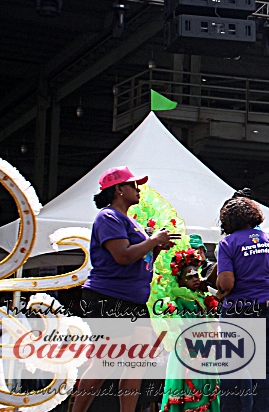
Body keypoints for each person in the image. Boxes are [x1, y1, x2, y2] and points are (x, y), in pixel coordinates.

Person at [71, 166, 179, 412]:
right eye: (133, 184)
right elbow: (122, 256)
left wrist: (155, 247)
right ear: (118, 189)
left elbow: (140, 260)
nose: (138, 189)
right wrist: (153, 240)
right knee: (105, 362)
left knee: (136, 363)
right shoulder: (108, 217)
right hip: (109, 297)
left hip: (133, 300)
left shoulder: (130, 221)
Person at [216, 191, 269, 412]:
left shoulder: (227, 243)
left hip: (240, 310)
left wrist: (219, 287)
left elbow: (227, 283)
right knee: (267, 370)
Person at [157, 246, 221, 412]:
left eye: (196, 275)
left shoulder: (201, 297)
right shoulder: (179, 301)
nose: (195, 279)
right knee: (191, 389)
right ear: (180, 282)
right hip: (188, 352)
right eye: (189, 277)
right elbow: (182, 328)